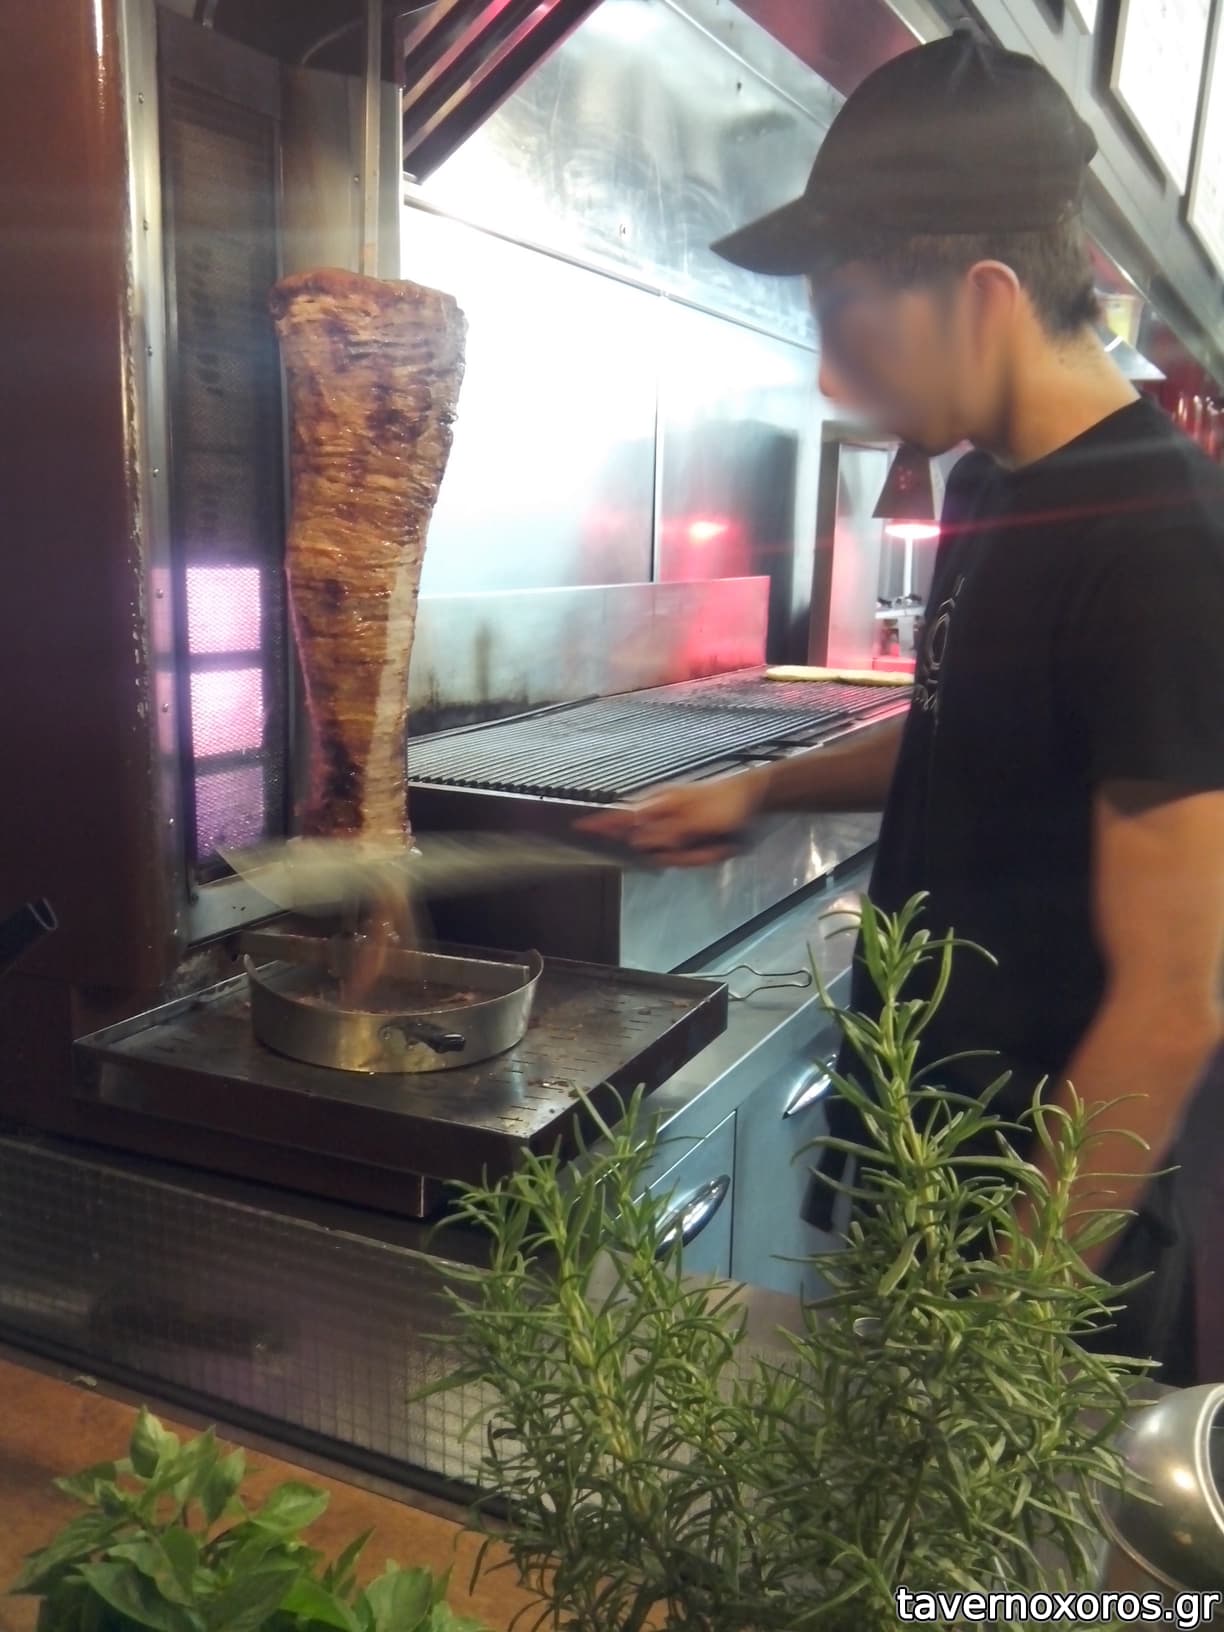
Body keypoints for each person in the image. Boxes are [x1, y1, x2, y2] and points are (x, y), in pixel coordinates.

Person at [582, 32, 1224, 1382]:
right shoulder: (995, 481)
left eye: (846, 316)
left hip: (1042, 1233)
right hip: (915, 1162)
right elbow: (965, 722)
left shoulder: (1161, 538)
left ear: (983, 298)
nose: (829, 373)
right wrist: (761, 790)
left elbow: (1175, 998)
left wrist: (999, 1326)